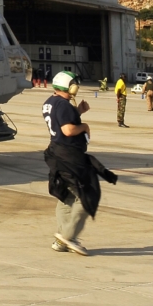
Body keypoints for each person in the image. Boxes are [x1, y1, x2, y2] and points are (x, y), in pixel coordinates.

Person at [42, 71, 118, 256]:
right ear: (67, 85)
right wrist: (84, 126)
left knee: (66, 196)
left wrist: (79, 112)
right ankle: (67, 236)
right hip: (70, 156)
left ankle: (62, 239)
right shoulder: (64, 105)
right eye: (73, 83)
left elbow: (61, 118)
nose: (76, 86)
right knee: (87, 195)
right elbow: (68, 129)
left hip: (55, 153)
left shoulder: (50, 102)